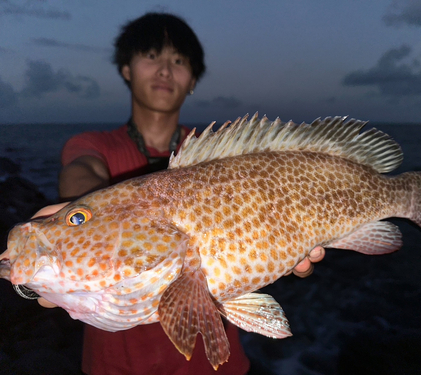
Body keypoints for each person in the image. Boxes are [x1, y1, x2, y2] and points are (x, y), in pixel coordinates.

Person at [34, 12, 325, 375]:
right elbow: (82, 176)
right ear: (126, 69)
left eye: (179, 61)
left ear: (192, 81)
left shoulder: (222, 155)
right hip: (115, 366)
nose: (165, 70)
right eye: (152, 56)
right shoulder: (92, 144)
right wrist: (80, 217)